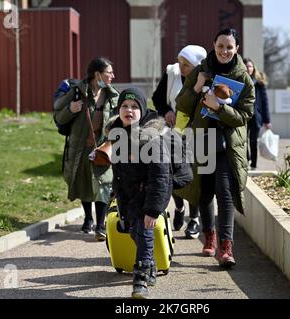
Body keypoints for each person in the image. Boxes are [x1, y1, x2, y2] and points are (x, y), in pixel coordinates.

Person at [175, 28, 255, 268]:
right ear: (213, 45)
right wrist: (198, 86)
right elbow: (182, 105)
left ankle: (226, 247)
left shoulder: (243, 78)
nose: (224, 51)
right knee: (204, 190)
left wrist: (220, 109)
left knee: (225, 192)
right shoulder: (200, 71)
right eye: (221, 46)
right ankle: (209, 236)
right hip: (202, 138)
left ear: (236, 49)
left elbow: (246, 115)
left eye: (229, 47)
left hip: (227, 143)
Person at [108, 87, 172, 299]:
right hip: (128, 193)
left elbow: (160, 175)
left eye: (135, 106)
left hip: (150, 191)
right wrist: (116, 193)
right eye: (124, 106)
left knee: (144, 229)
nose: (129, 110)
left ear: (142, 111)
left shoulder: (152, 137)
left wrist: (153, 209)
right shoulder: (116, 134)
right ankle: (151, 266)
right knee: (133, 230)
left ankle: (141, 279)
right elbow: (118, 170)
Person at [53, 57, 118, 241]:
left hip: (103, 148)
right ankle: (88, 218)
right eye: (109, 72)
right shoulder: (76, 92)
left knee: (103, 184)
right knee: (84, 184)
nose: (113, 76)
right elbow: (59, 117)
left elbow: (119, 118)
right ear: (97, 74)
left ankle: (100, 224)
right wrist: (71, 110)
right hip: (80, 148)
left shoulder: (112, 95)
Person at [152, 45, 207, 238]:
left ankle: (194, 218)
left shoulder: (206, 77)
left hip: (196, 131)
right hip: (174, 130)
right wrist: (166, 111)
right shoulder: (172, 72)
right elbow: (157, 97)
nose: (181, 67)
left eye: (186, 64)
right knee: (173, 170)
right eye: (180, 62)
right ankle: (179, 207)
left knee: (193, 173)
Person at [243, 58, 271, 170]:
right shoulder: (240, 81)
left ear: (253, 68)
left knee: (253, 141)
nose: (248, 68)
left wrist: (267, 120)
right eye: (246, 66)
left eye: (250, 66)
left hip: (256, 117)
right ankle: (247, 159)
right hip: (243, 116)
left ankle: (253, 164)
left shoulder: (259, 84)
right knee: (243, 140)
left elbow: (265, 102)